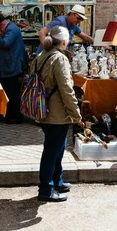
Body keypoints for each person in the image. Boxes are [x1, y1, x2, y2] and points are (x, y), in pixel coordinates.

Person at [35, 25, 81, 202]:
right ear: (63, 42)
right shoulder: (59, 59)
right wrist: (76, 115)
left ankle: (57, 181)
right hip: (57, 114)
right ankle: (46, 190)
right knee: (51, 151)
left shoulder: (40, 56)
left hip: (43, 110)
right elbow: (67, 90)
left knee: (58, 148)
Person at [0, 13, 27, 124]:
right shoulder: (9, 29)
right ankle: (8, 114)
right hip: (9, 66)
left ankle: (16, 116)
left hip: (13, 66)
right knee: (8, 91)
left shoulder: (11, 29)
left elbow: (6, 43)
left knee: (12, 92)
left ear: (0, 25)